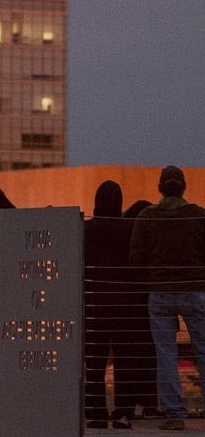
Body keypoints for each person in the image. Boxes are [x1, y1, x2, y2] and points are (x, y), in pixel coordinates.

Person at [129, 165, 205, 431]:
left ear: (160, 189)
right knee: (203, 351)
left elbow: (136, 258)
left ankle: (174, 414)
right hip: (195, 290)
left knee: (165, 354)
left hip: (159, 292)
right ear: (184, 187)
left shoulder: (146, 217)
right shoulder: (198, 216)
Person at [83, 181, 134, 428]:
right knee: (124, 360)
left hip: (94, 303)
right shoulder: (129, 228)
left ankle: (95, 412)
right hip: (125, 304)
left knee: (94, 362)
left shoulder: (86, 229)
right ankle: (123, 413)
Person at [118, 199, 161, 422]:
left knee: (128, 357)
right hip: (150, 305)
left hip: (127, 309)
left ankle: (127, 403)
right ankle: (151, 404)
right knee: (151, 356)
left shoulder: (124, 237)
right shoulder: (152, 239)